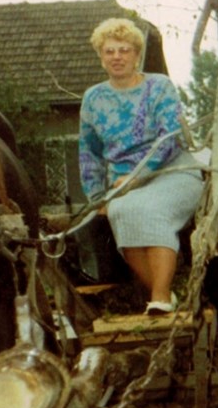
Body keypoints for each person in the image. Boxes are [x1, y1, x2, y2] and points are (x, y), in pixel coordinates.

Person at [78, 18, 203, 315]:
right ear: (101, 56)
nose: (117, 57)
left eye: (124, 50)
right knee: (120, 211)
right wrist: (97, 198)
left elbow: (170, 140)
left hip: (172, 172)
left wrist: (136, 178)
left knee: (147, 209)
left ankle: (158, 298)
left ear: (137, 55)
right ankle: (165, 294)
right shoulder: (93, 99)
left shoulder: (158, 87)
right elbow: (89, 153)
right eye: (110, 51)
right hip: (124, 185)